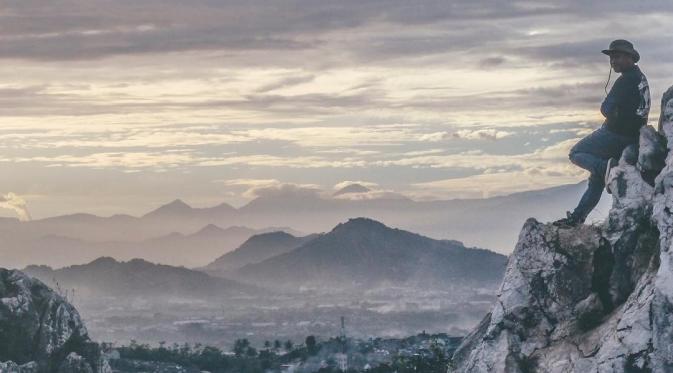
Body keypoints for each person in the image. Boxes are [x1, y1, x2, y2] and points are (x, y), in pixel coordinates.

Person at [554, 39, 650, 227]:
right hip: (632, 136)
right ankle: (577, 218)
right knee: (596, 180)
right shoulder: (640, 78)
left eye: (618, 57)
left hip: (615, 133)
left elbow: (605, 109)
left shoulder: (625, 80)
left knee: (576, 153)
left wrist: (613, 112)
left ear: (630, 58)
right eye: (612, 58)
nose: (613, 61)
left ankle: (606, 167)